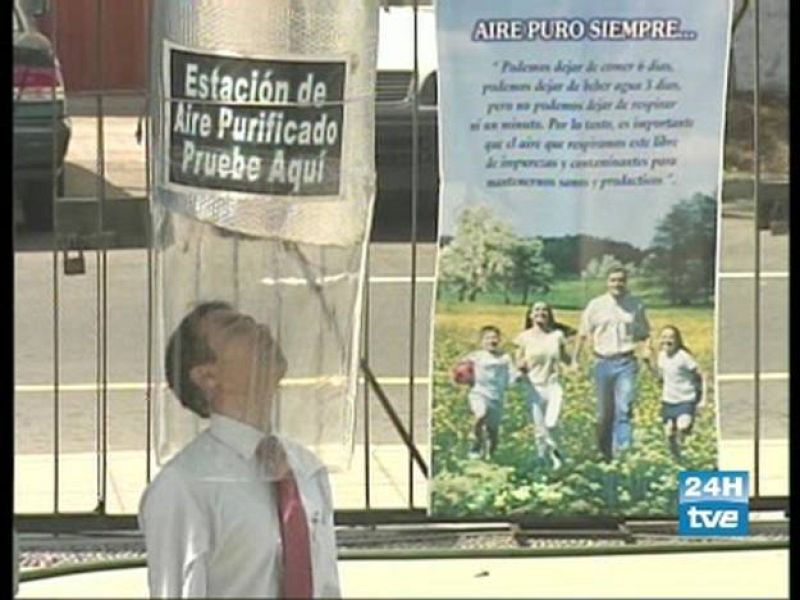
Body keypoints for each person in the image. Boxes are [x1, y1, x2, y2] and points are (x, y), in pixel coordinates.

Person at [139, 301, 340, 598]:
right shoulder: (185, 486)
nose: (260, 329)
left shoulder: (305, 468)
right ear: (208, 376)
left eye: (252, 321)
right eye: (237, 329)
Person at [571, 267, 652, 461]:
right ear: (607, 282)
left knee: (624, 408)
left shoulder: (636, 305)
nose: (617, 284)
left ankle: (622, 454)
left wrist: (648, 349)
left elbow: (645, 332)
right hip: (602, 362)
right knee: (603, 414)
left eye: (621, 280)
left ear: (626, 282)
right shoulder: (596, 305)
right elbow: (582, 334)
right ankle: (604, 452)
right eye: (613, 280)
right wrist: (574, 360)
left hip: (626, 362)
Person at [513, 302, 573, 469]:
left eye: (544, 310)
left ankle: (555, 452)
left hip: (554, 385)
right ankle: (543, 459)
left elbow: (565, 357)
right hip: (533, 386)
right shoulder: (523, 337)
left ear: (550, 315)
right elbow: (518, 360)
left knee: (551, 423)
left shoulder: (557, 335)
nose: (541, 312)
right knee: (539, 429)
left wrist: (575, 366)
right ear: (530, 315)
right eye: (537, 310)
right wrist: (520, 368)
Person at [457, 325, 517, 459]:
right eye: (488, 338)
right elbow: (460, 369)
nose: (492, 341)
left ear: (499, 340)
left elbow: (512, 374)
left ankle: (491, 456)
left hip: (497, 396)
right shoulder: (475, 356)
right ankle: (476, 444)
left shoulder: (505, 357)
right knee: (480, 415)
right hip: (479, 392)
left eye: (495, 337)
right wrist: (462, 375)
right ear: (482, 341)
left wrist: (518, 377)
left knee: (493, 431)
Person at [646, 325, 706, 459]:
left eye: (671, 338)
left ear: (677, 340)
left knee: (682, 426)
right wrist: (648, 364)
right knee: (668, 434)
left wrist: (702, 399)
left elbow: (701, 375)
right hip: (668, 400)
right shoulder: (662, 356)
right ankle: (677, 458)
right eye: (664, 337)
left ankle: (686, 450)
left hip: (686, 399)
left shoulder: (683, 357)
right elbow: (660, 377)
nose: (667, 341)